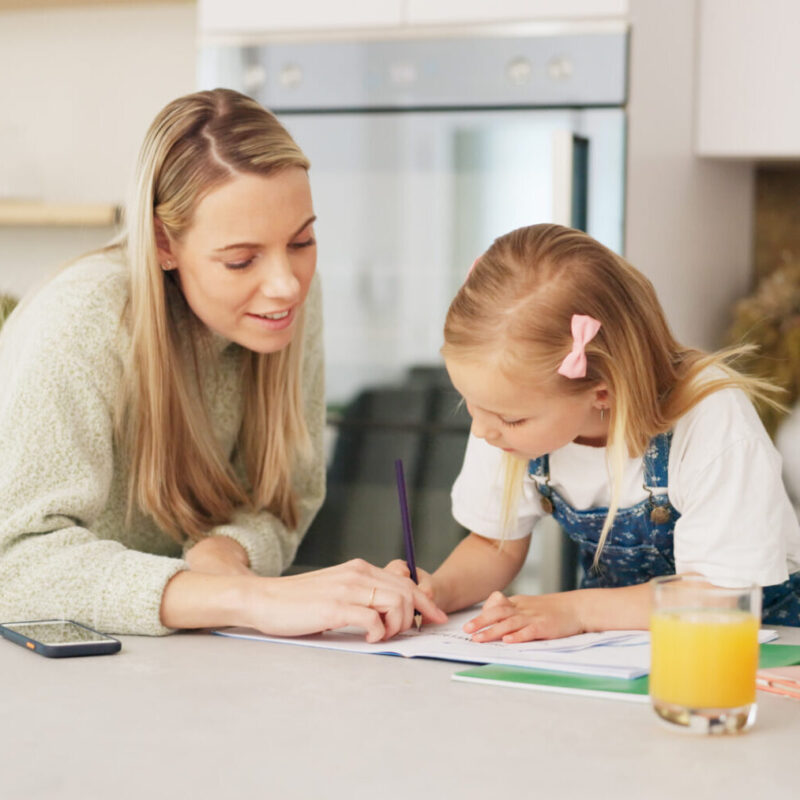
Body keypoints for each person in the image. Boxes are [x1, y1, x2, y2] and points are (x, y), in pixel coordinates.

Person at [0, 88, 444, 641]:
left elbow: (290, 494)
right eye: (242, 259)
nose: (286, 284)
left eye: (302, 240)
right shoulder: (82, 320)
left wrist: (224, 552)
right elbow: (14, 564)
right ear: (164, 243)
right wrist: (247, 597)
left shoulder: (290, 301)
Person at [390, 223, 800, 641]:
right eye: (470, 404)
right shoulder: (508, 421)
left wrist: (574, 609)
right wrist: (434, 592)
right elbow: (495, 545)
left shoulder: (711, 418)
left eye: (510, 419)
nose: (481, 431)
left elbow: (719, 595)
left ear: (601, 392)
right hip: (622, 644)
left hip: (763, 643)